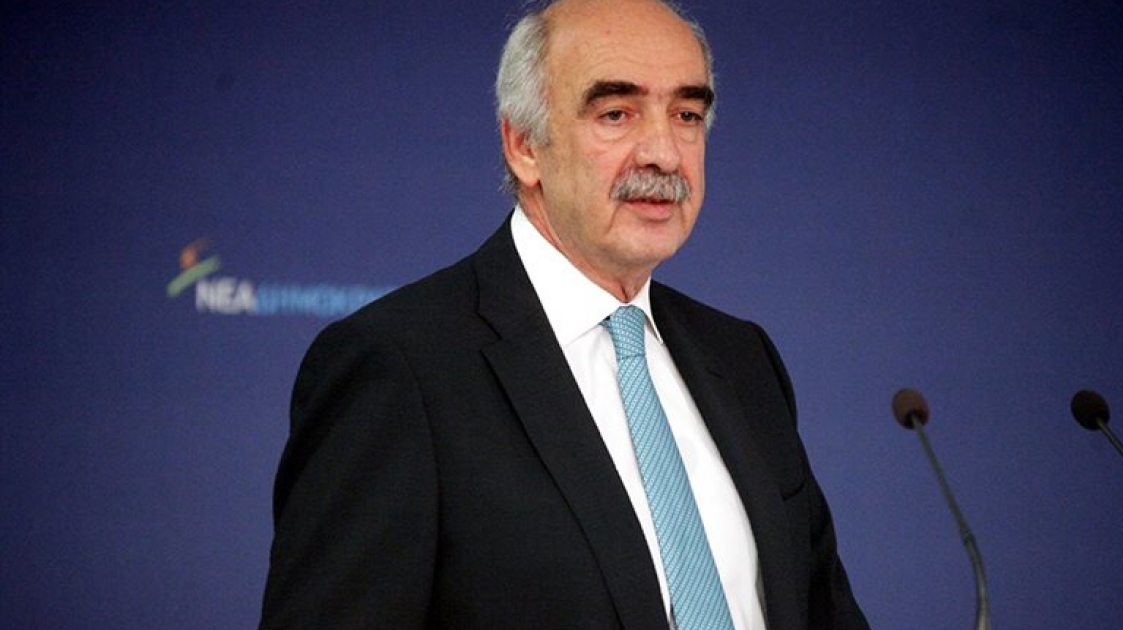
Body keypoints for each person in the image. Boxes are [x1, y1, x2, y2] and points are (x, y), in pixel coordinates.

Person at [259, 0, 870, 628]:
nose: (664, 153)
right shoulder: (399, 367)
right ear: (524, 146)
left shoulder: (743, 359)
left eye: (687, 115)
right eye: (616, 114)